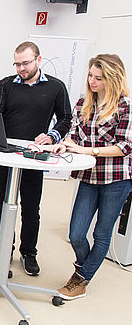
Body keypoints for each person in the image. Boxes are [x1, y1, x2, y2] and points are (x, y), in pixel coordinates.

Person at [0, 41, 72, 276]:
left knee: (31, 208)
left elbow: (66, 118)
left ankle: (29, 252)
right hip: (5, 156)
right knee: (3, 206)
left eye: (25, 63)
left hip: (34, 157)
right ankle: (5, 249)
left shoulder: (56, 87)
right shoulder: (5, 85)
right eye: (17, 63)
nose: (21, 68)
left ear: (38, 60)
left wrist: (52, 135)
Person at [52, 54, 132, 300]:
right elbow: (74, 135)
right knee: (76, 233)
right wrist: (65, 144)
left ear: (112, 79)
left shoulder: (124, 106)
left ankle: (82, 279)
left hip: (117, 178)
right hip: (89, 176)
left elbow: (125, 146)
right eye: (90, 76)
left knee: (101, 234)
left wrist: (88, 150)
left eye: (99, 78)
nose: (92, 81)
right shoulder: (83, 103)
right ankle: (84, 269)